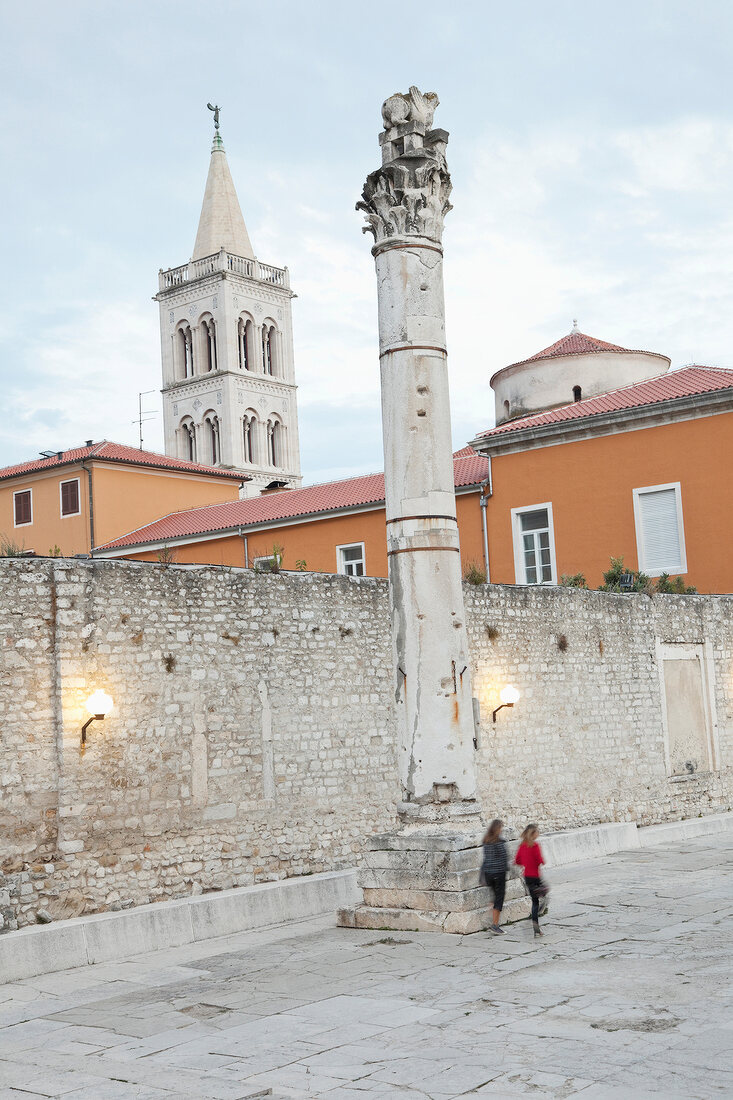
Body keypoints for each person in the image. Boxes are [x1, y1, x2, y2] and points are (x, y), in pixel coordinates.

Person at [514, 823, 548, 937]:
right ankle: (539, 911)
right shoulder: (535, 845)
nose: (538, 833)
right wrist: (542, 861)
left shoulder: (522, 846)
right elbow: (539, 860)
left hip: (527, 877)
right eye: (537, 832)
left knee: (534, 901)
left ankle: (536, 925)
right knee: (545, 893)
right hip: (536, 876)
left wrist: (526, 862)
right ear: (533, 834)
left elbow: (517, 860)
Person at [481, 818, 508, 935]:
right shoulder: (499, 842)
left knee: (494, 897)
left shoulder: (486, 841)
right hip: (498, 873)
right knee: (499, 899)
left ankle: (492, 916)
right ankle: (495, 925)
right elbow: (503, 858)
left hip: (488, 874)